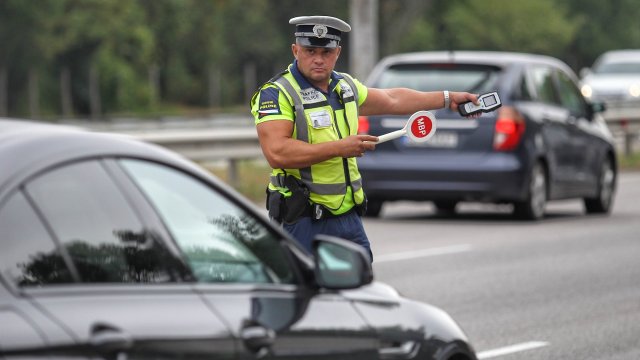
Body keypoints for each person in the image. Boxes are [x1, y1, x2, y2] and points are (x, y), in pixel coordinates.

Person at [250, 15, 479, 262]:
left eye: (326, 52)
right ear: (295, 50)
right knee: (308, 295)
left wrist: (447, 99)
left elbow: (393, 98)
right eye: (309, 50)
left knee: (360, 291)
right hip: (303, 219)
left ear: (337, 52)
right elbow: (277, 152)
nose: (318, 59)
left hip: (348, 216)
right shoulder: (276, 93)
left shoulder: (344, 86)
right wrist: (339, 148)